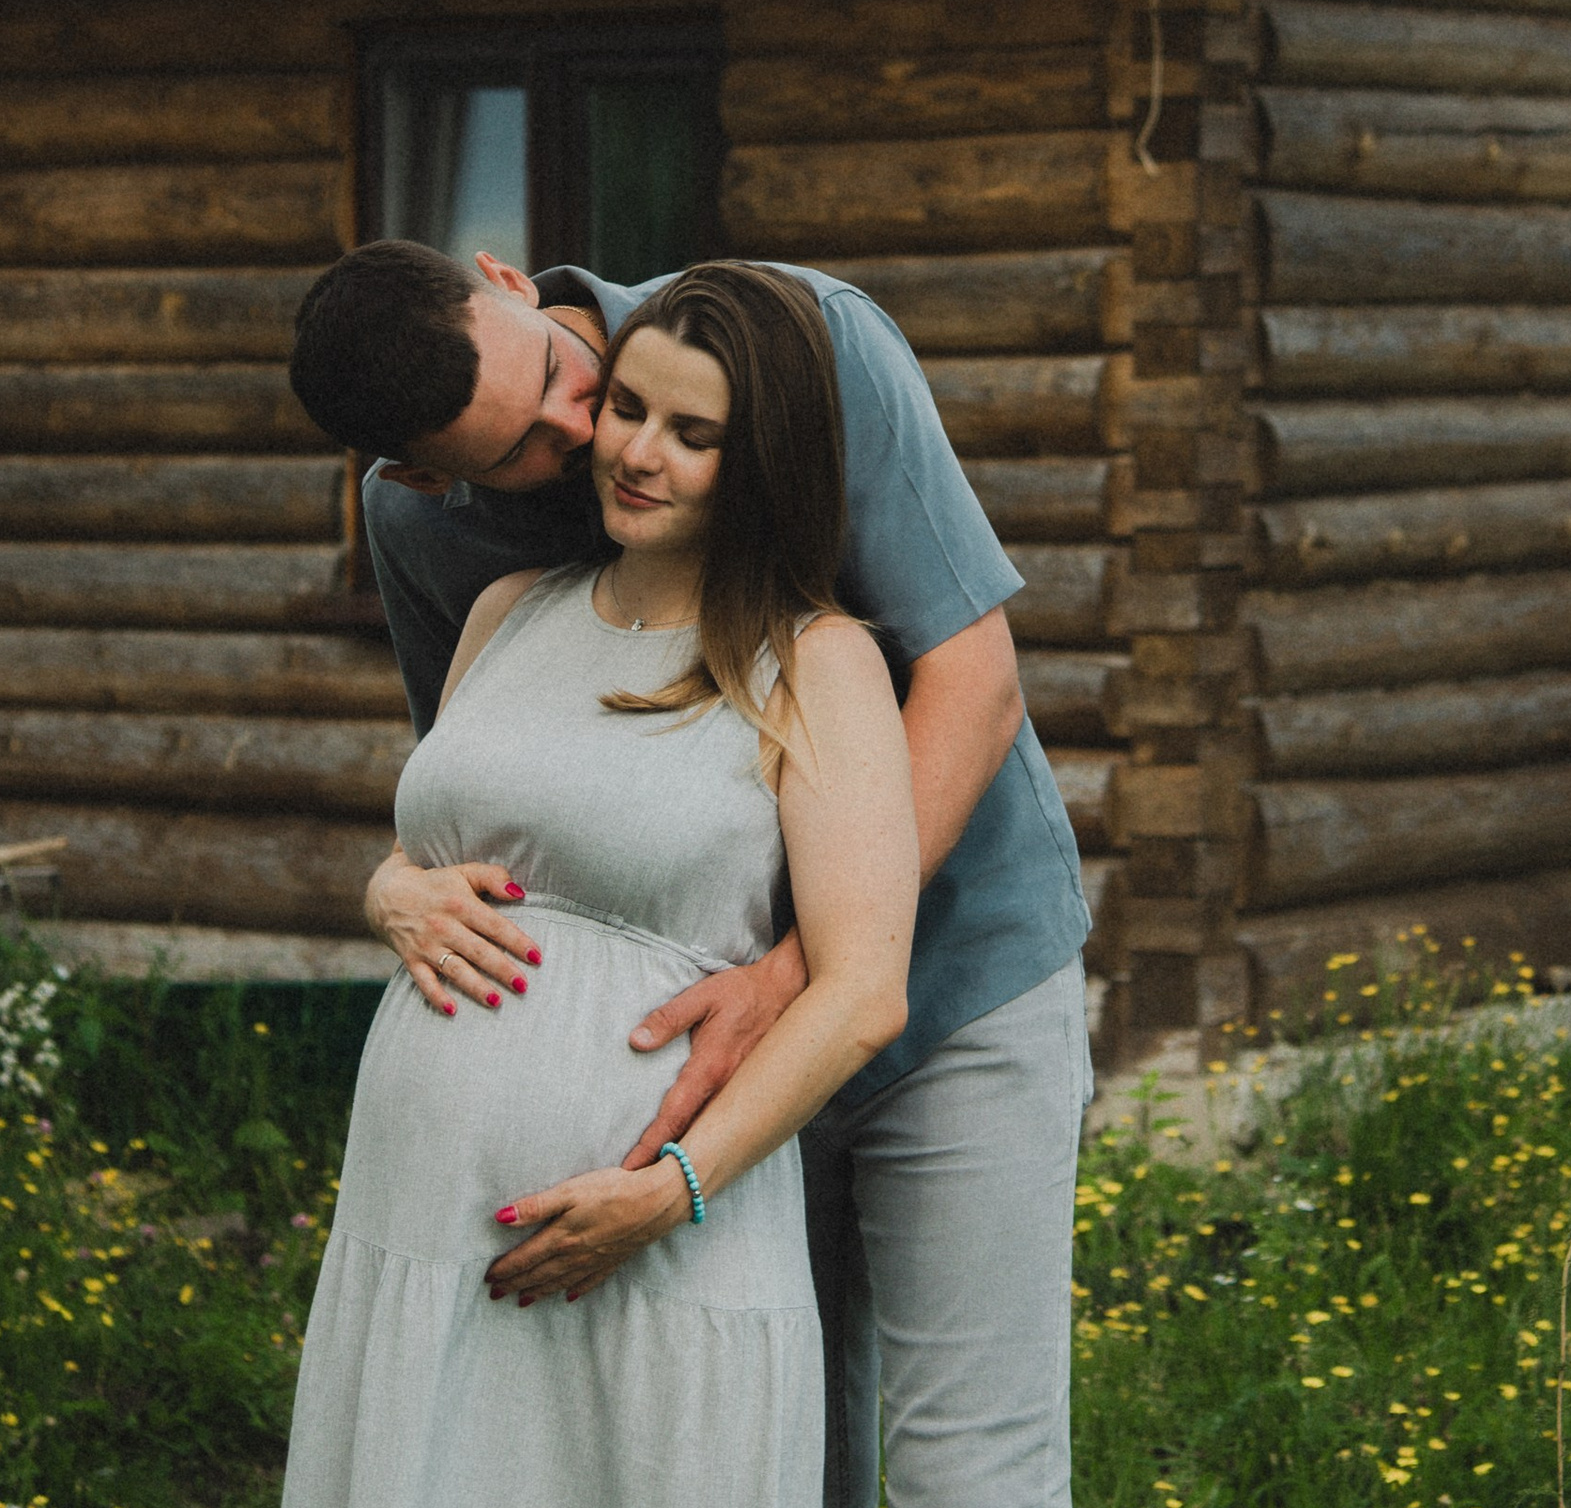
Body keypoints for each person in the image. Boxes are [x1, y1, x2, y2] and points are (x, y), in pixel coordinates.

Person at [289, 240, 1092, 1507]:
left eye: (566, 376)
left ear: (506, 278)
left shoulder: (806, 344)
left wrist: (793, 979)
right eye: (522, 450)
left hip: (949, 971)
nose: (588, 431)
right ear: (423, 473)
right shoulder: (436, 529)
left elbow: (973, 683)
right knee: (786, 1451)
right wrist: (391, 890)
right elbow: (481, 790)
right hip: (690, 1068)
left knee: (966, 1468)